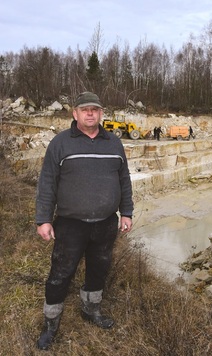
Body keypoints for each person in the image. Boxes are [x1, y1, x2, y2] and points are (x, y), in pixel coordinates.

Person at [35, 91, 134, 350]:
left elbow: (124, 179)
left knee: (98, 269)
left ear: (101, 114)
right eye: (85, 109)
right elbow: (47, 182)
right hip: (70, 224)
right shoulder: (60, 143)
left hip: (105, 223)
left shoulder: (114, 143)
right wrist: (43, 219)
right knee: (60, 274)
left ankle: (91, 310)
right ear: (75, 113)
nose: (90, 113)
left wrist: (127, 212)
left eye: (95, 109)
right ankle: (51, 323)